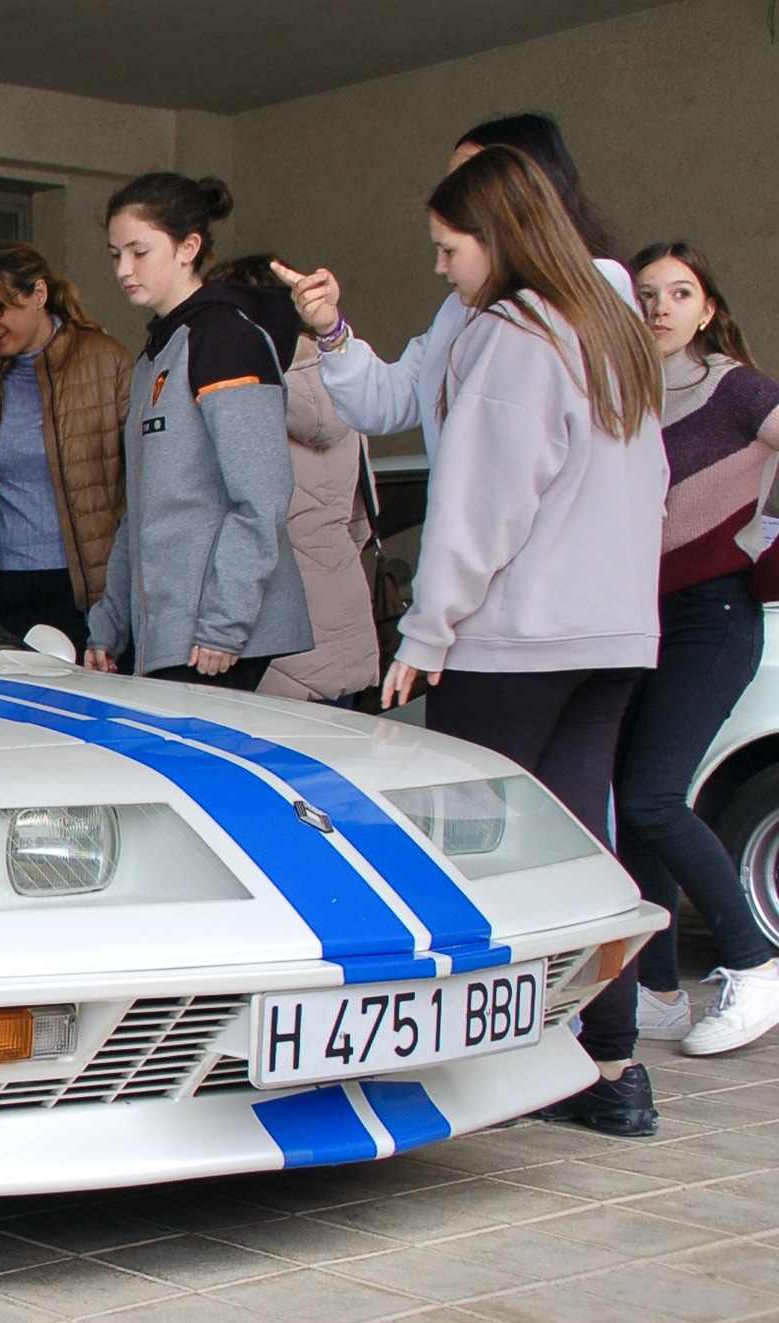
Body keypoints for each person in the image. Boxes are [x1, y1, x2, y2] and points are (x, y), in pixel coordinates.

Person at [379, 146, 667, 1134]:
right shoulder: (611, 331)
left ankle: (468, 1075)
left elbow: (475, 510)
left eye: (446, 248)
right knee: (586, 851)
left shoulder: (512, 336)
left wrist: (425, 629)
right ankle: (611, 1067)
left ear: (495, 239)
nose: (439, 269)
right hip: (612, 637)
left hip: (518, 640)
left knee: (470, 854)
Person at [618, 241, 779, 1055]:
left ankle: (756, 965)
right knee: (635, 801)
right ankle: (656, 992)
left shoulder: (737, 386)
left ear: (708, 307)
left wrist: (766, 547)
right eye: (647, 293)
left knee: (650, 796)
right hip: (646, 616)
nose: (661, 307)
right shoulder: (629, 395)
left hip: (715, 616)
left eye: (680, 292)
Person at [273, 112, 635, 459]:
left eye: (470, 177)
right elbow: (384, 403)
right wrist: (330, 328)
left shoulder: (600, 284)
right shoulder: (460, 309)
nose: (453, 194)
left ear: (526, 188)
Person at [85, 175, 310, 690]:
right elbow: (142, 510)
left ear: (189, 248)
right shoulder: (156, 353)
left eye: (139, 252)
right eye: (114, 254)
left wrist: (224, 625)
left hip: (215, 637)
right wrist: (110, 626)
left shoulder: (225, 337)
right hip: (167, 629)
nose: (123, 269)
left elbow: (262, 496)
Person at [210, 253, 379, 706]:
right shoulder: (347, 386)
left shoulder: (240, 396)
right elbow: (361, 522)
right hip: (348, 630)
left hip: (272, 642)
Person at [0, 242, 133, 653]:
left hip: (86, 586)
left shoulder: (107, 361)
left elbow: (138, 483)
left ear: (39, 294)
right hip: (1, 584)